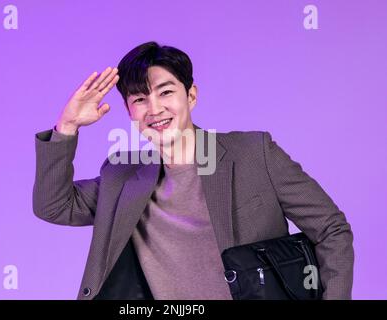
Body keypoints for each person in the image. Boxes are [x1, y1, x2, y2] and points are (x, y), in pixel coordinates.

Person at [32, 41, 354, 300]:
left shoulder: (255, 154)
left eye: (166, 92)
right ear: (129, 112)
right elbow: (53, 205)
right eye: (140, 99)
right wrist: (68, 126)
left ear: (192, 96)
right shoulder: (123, 176)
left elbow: (331, 229)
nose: (154, 108)